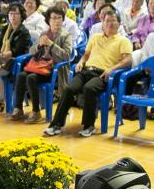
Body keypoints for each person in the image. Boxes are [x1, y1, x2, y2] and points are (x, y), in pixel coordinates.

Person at [44, 9, 133, 138]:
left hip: (103, 74)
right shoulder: (95, 37)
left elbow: (128, 60)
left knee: (89, 88)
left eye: (113, 21)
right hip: (86, 70)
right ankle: (56, 124)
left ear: (119, 24)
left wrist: (112, 69)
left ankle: (88, 125)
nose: (110, 24)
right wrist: (80, 62)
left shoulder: (123, 41)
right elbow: (86, 55)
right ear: (102, 23)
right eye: (107, 21)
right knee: (69, 89)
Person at [14, 7, 74, 123]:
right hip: (39, 66)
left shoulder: (66, 35)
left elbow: (67, 56)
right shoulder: (44, 33)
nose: (56, 21)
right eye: (53, 18)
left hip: (54, 69)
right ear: (48, 20)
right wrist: (39, 46)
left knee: (31, 78)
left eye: (59, 18)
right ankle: (18, 108)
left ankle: (36, 112)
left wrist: (51, 45)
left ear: (63, 20)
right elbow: (31, 51)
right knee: (21, 75)